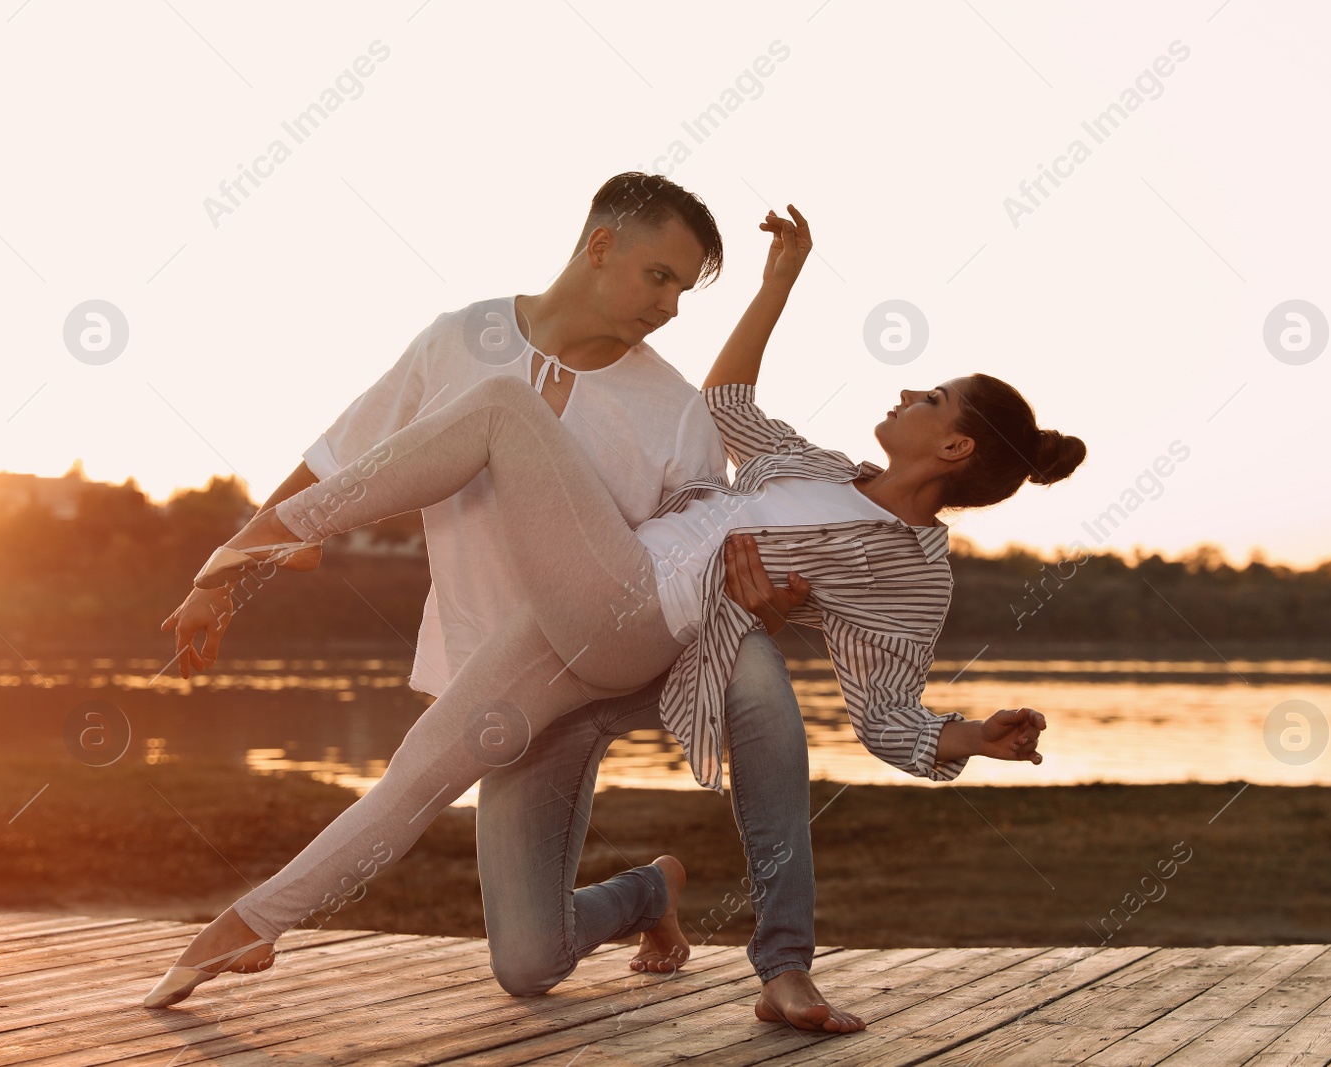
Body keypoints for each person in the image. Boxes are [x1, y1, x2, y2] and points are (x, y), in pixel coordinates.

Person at [146, 202, 1081, 1029]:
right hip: (581, 609)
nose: (910, 391)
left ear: (955, 445)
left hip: (646, 617)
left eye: (934, 398)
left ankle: (784, 964)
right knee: (437, 811)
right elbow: (730, 403)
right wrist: (779, 284)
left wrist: (970, 736)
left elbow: (886, 712)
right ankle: (249, 924)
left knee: (507, 408)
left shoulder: (907, 572)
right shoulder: (816, 466)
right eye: (661, 277)